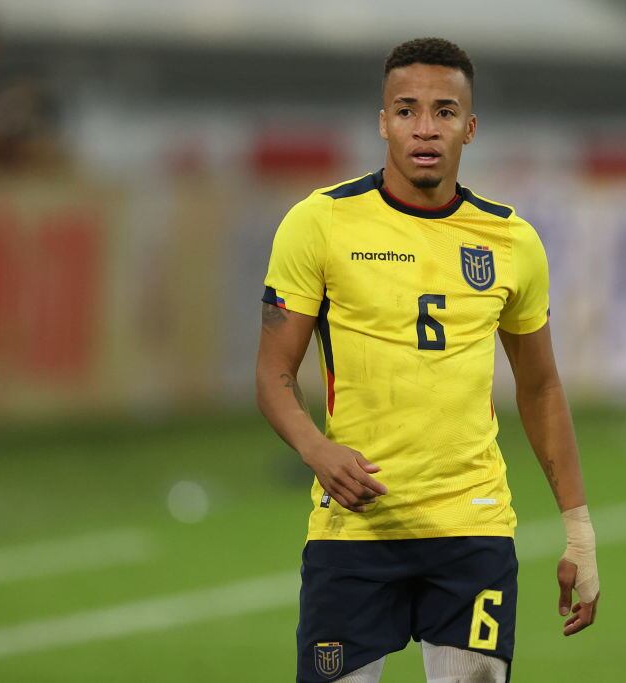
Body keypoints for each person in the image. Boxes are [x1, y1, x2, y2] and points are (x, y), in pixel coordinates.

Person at [256, 37, 599, 683]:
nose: (424, 128)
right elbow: (273, 371)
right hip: (354, 533)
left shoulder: (511, 240)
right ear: (382, 121)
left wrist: (578, 531)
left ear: (470, 128)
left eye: (444, 112)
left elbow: (542, 385)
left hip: (472, 531)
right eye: (407, 110)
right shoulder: (320, 222)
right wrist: (315, 449)